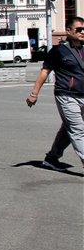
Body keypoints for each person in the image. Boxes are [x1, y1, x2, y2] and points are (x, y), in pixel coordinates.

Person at [26, 17, 84, 171]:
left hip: (83, 95)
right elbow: (45, 72)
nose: (82, 32)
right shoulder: (59, 51)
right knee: (78, 130)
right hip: (66, 95)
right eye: (79, 29)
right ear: (68, 31)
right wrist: (34, 94)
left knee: (68, 129)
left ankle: (52, 158)